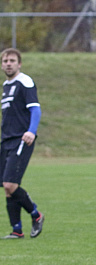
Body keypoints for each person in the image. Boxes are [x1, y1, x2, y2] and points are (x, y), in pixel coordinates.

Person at [1, 48, 44, 239]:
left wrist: (31, 131)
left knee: (10, 184)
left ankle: (36, 214)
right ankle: (16, 230)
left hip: (21, 139)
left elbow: (35, 109)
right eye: (5, 61)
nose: (8, 64)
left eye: (12, 60)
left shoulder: (24, 81)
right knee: (8, 187)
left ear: (19, 64)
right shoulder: (6, 85)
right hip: (6, 140)